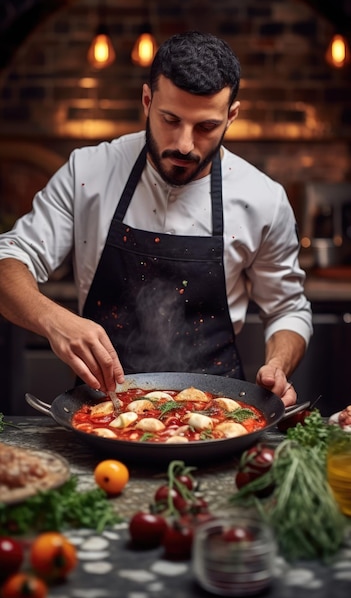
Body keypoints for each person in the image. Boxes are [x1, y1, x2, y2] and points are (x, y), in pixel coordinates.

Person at [0, 30, 312, 406]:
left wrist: (278, 365)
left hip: (219, 414)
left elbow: (288, 309)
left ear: (231, 116)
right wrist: (53, 319)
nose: (184, 143)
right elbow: (8, 259)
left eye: (206, 127)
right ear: (147, 101)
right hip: (103, 409)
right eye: (170, 119)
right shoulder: (88, 171)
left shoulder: (263, 198)